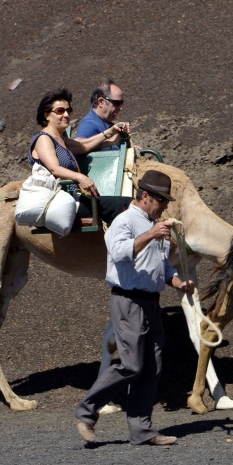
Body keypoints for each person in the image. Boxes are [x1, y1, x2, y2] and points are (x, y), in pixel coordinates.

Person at [74, 170, 191, 446]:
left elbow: (162, 265)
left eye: (167, 201)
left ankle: (142, 431)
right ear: (145, 196)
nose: (165, 206)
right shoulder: (124, 221)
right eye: (161, 200)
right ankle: (86, 412)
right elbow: (118, 253)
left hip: (152, 304)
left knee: (152, 367)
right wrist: (151, 234)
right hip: (128, 301)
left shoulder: (155, 225)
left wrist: (178, 282)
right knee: (131, 365)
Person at [29, 89, 131, 226]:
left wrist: (111, 133)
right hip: (59, 200)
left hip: (72, 197)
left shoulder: (61, 139)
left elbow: (84, 146)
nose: (66, 114)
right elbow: (54, 169)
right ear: (47, 115)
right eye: (60, 111)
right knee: (123, 204)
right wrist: (80, 177)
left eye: (68, 110)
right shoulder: (44, 138)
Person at [74, 79, 129, 150]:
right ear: (101, 102)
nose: (120, 108)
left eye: (121, 103)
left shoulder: (106, 123)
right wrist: (109, 136)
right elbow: (77, 146)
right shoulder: (89, 124)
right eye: (117, 103)